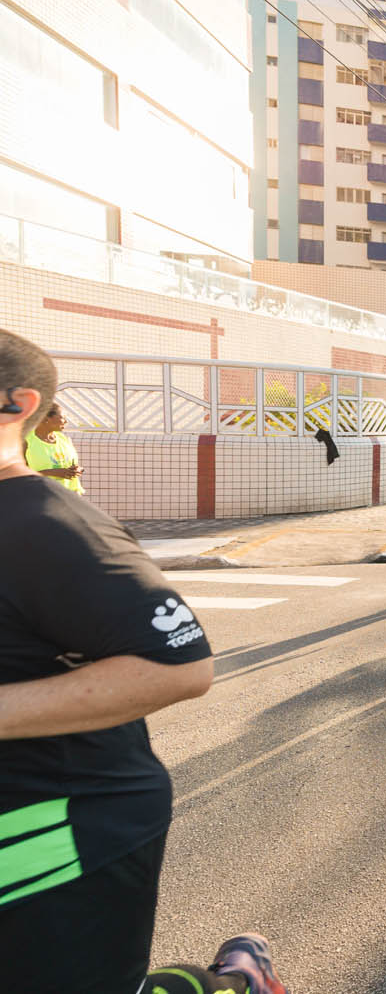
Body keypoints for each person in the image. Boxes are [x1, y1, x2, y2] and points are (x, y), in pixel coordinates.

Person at [0, 330, 289, 994]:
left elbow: (182, 665)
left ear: (17, 405)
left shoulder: (48, 526)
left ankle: (237, 982)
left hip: (62, 830)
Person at [24, 402, 85, 494]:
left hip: (69, 495)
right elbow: (19, 476)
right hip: (40, 495)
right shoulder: (26, 441)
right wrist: (51, 472)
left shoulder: (64, 439)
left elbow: (74, 466)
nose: (66, 421)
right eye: (62, 417)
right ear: (46, 419)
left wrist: (78, 470)